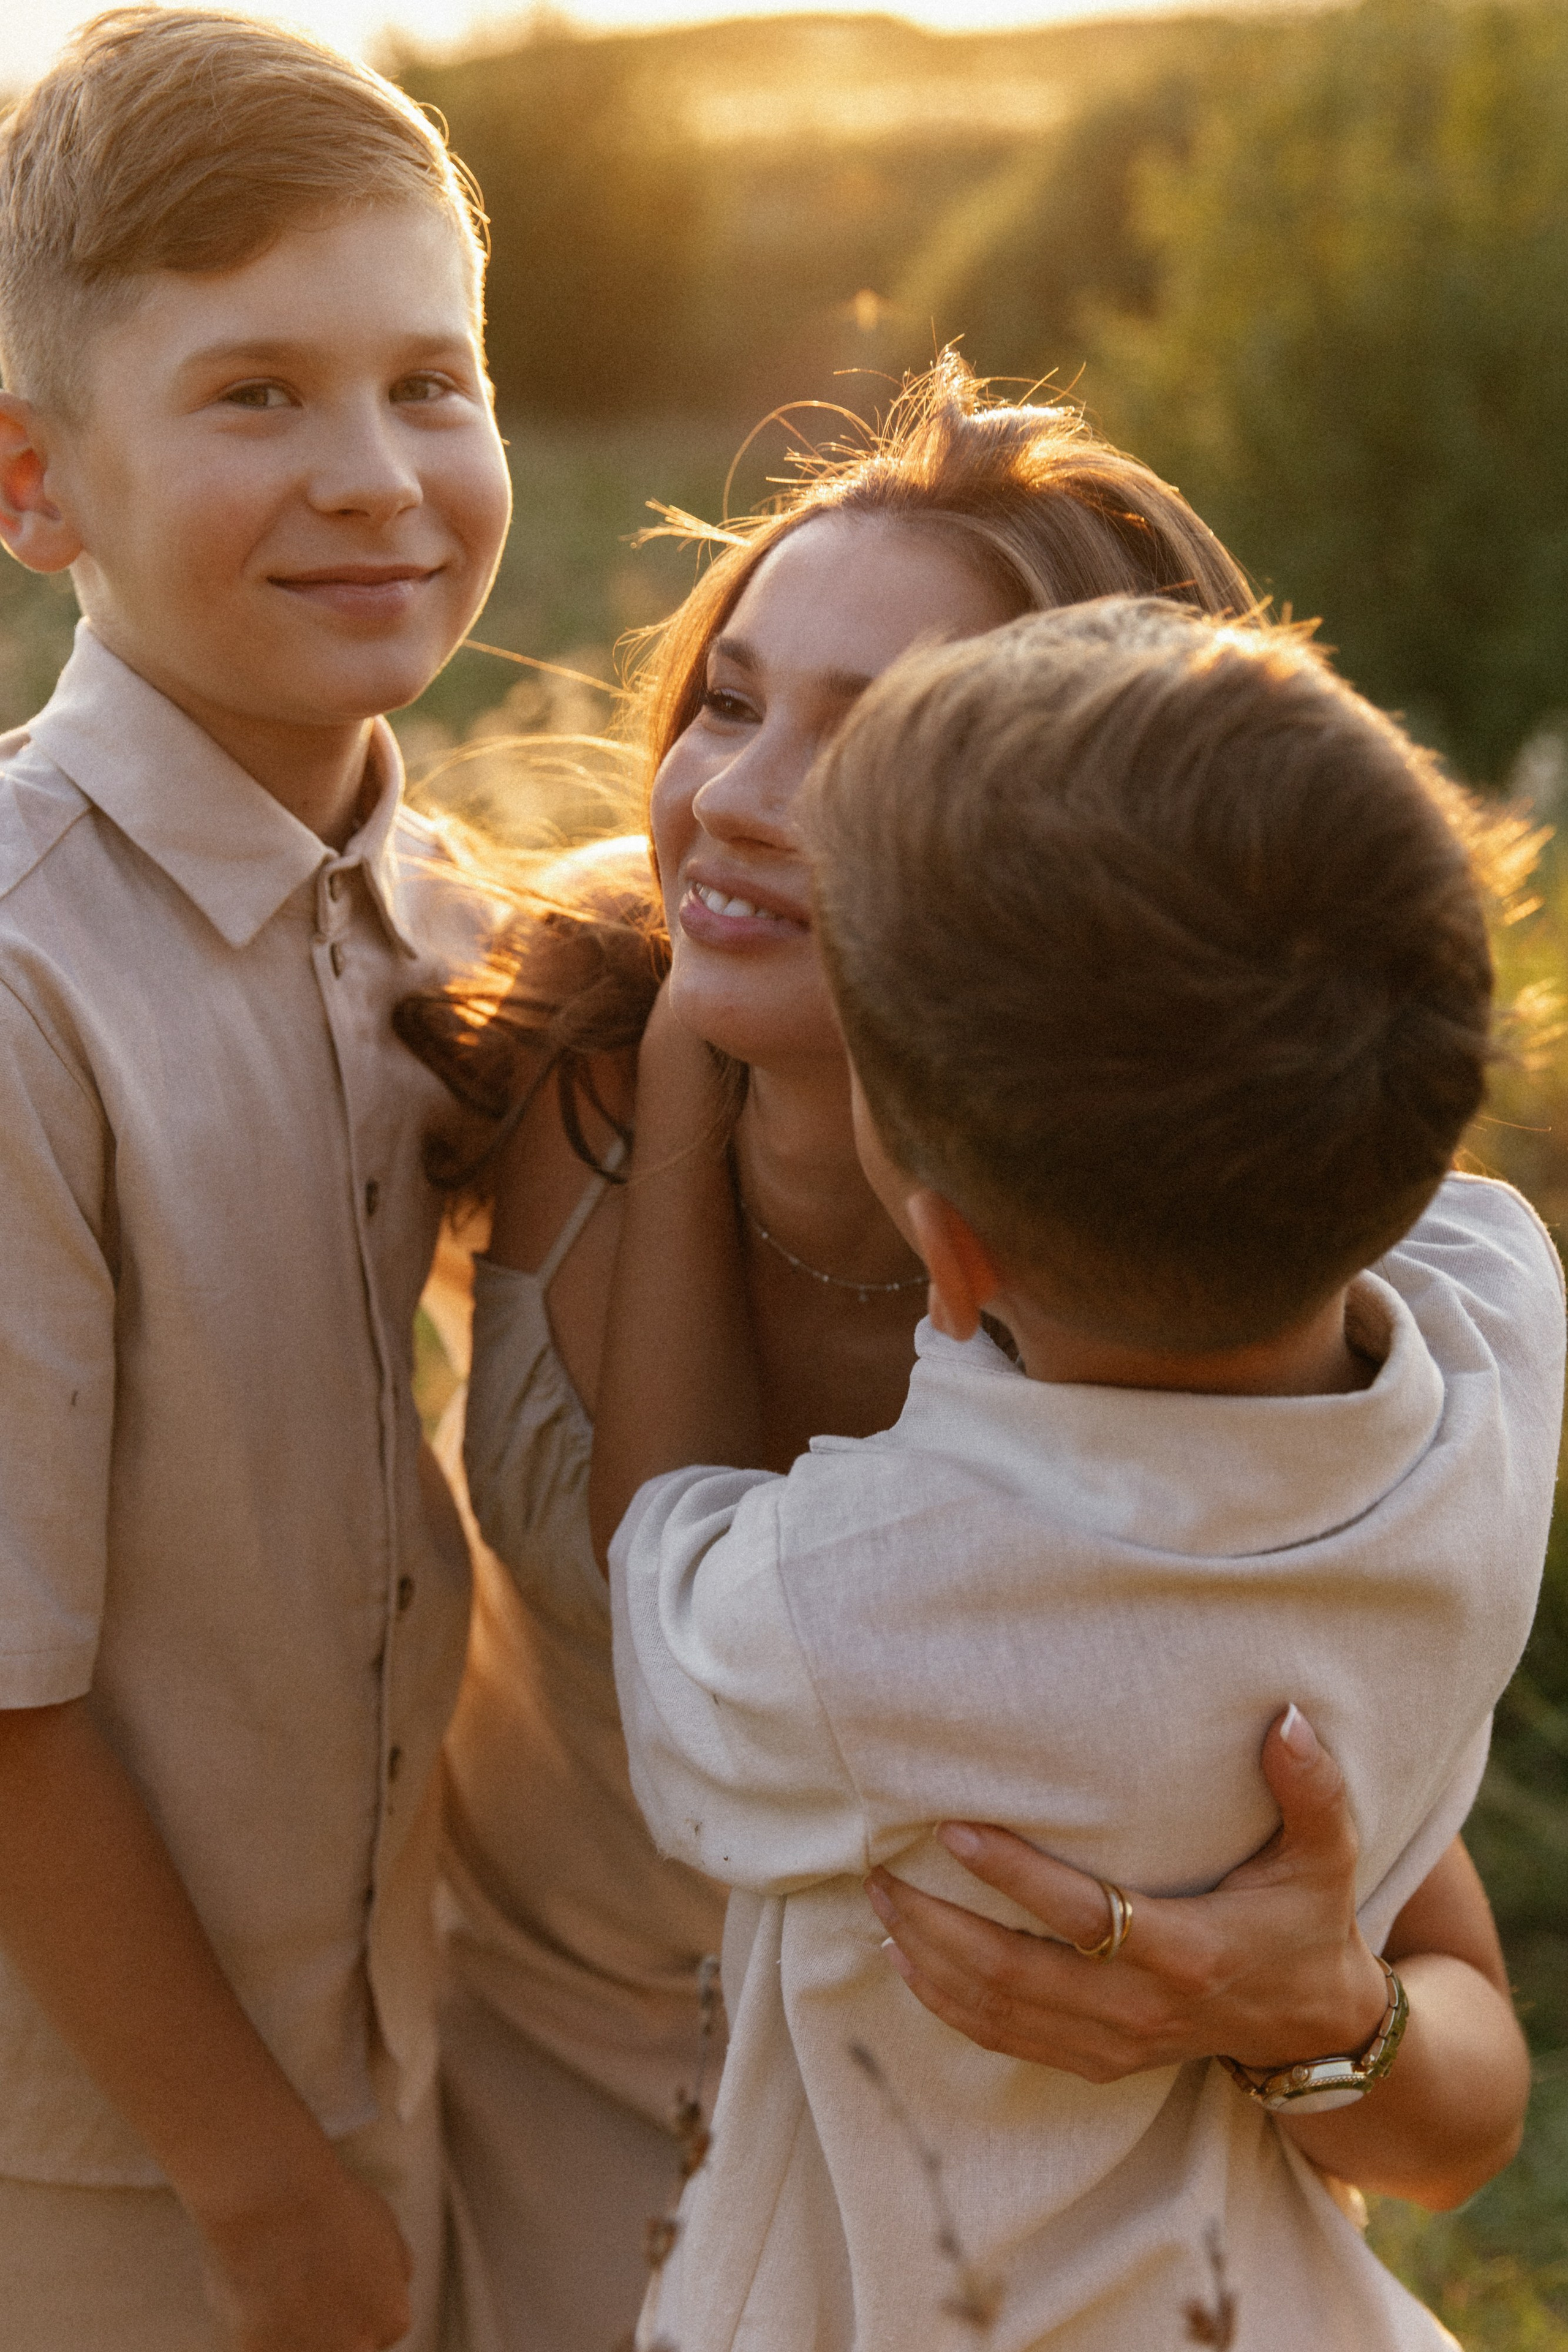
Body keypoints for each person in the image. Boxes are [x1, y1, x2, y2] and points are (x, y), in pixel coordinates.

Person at [404, 363, 1536, 2352]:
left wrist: (1312, 2016)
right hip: (515, 2106)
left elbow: (1458, 2120)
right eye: (732, 697)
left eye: (879, 746)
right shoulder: (529, 1042)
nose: (732, 802)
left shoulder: (1230, 1358)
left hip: (967, 2254)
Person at [0, 12, 512, 2348]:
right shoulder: (26, 978)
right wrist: (255, 2186)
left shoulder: (458, 923)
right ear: (32, 483)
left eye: (433, 380)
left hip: (408, 2029)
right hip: (104, 2139)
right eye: (255, 395)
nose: (380, 476)